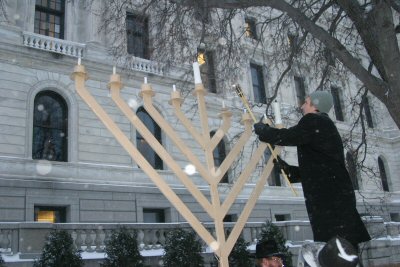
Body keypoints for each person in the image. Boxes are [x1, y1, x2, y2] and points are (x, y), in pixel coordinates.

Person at [253, 91, 371, 249]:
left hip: (330, 203)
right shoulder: (324, 125)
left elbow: (288, 136)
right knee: (344, 250)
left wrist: (264, 131)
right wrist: (292, 172)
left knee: (337, 253)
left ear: (315, 106)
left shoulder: (314, 121)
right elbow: (322, 168)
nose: (302, 106)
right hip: (335, 199)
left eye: (306, 102)